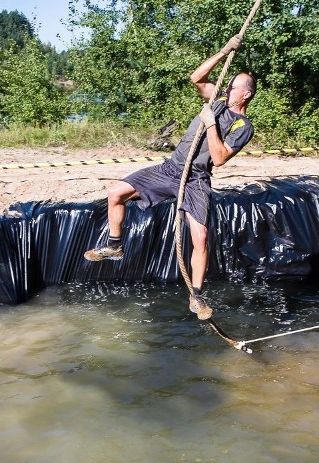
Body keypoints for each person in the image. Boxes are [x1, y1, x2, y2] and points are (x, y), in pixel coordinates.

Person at [84, 36, 255, 320]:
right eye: (227, 85)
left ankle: (197, 296)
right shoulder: (219, 98)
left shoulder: (242, 125)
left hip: (196, 180)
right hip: (170, 169)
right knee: (115, 193)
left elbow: (221, 157)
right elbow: (197, 77)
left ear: (245, 94)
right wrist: (224, 51)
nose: (226, 88)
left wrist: (211, 124)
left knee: (199, 237)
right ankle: (114, 246)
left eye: (232, 86)